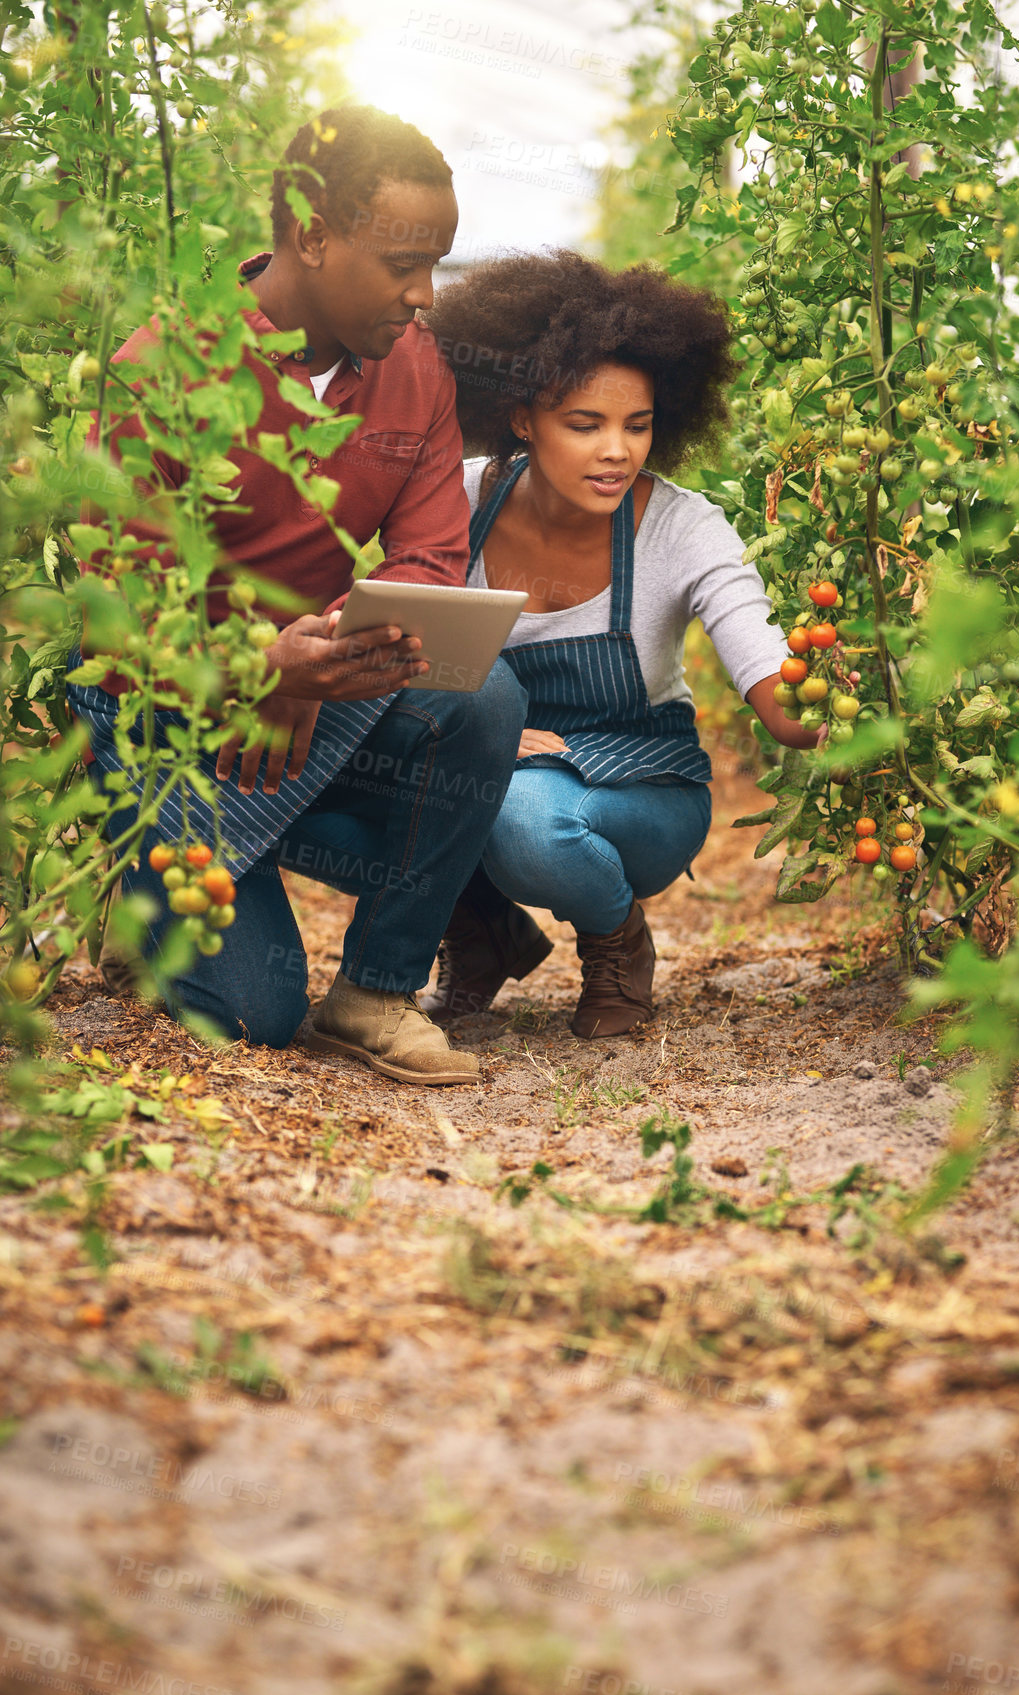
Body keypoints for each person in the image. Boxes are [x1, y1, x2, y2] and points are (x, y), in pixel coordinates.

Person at [71, 107, 525, 1084]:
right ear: (312, 235)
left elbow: (433, 558)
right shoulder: (166, 368)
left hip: (314, 702)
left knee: (484, 699)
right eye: (403, 261)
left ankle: (376, 988)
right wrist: (258, 663)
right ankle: (146, 861)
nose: (424, 293)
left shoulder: (417, 372)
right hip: (171, 715)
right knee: (250, 1016)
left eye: (436, 262)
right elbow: (116, 606)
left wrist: (320, 661)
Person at [420, 251, 822, 1039]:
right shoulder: (457, 501)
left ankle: (616, 939)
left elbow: (770, 677)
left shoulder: (681, 527)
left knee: (525, 818)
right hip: (490, 763)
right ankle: (481, 934)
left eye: (636, 426)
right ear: (521, 417)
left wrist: (833, 698)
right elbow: (408, 646)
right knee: (396, 764)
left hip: (641, 788)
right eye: (585, 424)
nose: (617, 451)